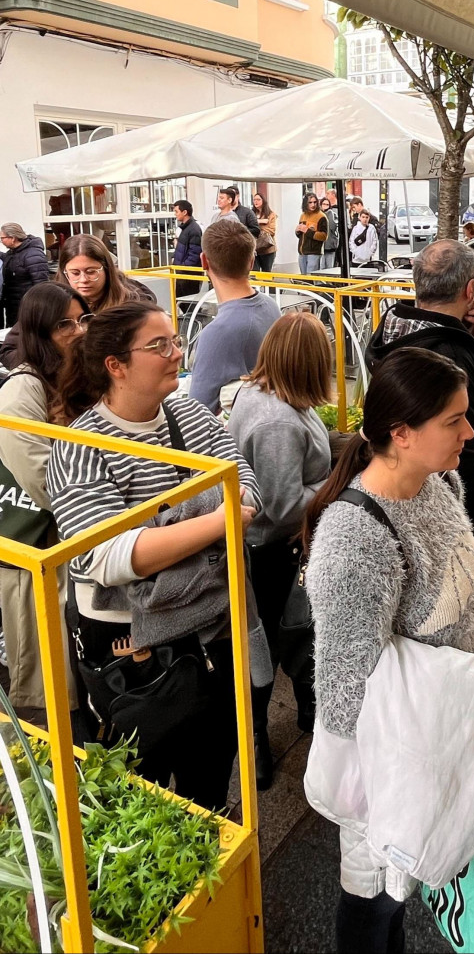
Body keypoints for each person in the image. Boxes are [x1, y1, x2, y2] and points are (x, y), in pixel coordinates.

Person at [301, 346, 474, 954]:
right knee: (375, 897)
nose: (470, 433)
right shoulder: (354, 538)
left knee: (405, 887)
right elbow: (343, 688)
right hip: (388, 763)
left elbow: (470, 567)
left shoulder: (438, 482)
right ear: (402, 434)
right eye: (454, 421)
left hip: (440, 730)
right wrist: (364, 799)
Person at [48, 301, 260, 811]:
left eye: (175, 340)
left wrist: (158, 528)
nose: (176, 352)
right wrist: (213, 520)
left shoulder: (185, 411)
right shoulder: (79, 444)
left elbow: (247, 489)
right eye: (159, 345)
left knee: (209, 775)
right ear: (115, 366)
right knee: (139, 790)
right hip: (132, 655)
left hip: (211, 634)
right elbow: (103, 557)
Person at [227, 312, 333, 789]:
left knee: (275, 641)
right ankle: (256, 744)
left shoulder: (261, 392)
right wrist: (337, 483)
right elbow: (282, 505)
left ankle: (288, 722)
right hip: (269, 554)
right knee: (269, 645)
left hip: (267, 552)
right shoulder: (277, 422)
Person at [365, 239, 474, 561]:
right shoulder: (450, 356)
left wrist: (470, 338)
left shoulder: (392, 328)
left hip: (402, 491)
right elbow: (469, 452)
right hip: (446, 515)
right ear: (470, 289)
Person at [0, 282, 91, 726]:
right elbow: (43, 480)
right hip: (38, 545)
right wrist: (104, 511)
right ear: (39, 332)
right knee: (50, 681)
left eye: (81, 320)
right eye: (63, 325)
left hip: (69, 546)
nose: (77, 331)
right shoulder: (22, 392)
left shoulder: (73, 377)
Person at [1, 233, 153, 370]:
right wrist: (54, 371)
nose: (83, 280)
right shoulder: (50, 301)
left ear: (107, 269)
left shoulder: (134, 303)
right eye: (75, 273)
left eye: (91, 272)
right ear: (64, 272)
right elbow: (10, 350)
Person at [188, 221, 280, 413]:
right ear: (252, 261)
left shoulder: (216, 333)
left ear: (204, 261)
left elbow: (198, 411)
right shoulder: (271, 306)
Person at [0, 222, 50, 328]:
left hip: (27, 306)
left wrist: (35, 306)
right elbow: (11, 261)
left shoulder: (33, 254)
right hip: (14, 305)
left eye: (2, 238)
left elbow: (41, 284)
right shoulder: (14, 252)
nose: (1, 241)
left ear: (12, 238)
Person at [172, 199, 204, 297]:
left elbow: (194, 254)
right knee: (180, 300)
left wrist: (183, 267)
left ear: (185, 212)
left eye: (176, 211)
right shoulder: (185, 229)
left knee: (188, 302)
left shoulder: (194, 230)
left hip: (188, 274)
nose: (175, 214)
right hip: (182, 272)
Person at [296, 192, 329, 275]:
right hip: (302, 251)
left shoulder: (321, 216)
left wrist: (307, 231)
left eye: (315, 202)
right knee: (304, 278)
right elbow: (301, 235)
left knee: (311, 276)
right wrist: (297, 231)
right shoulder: (303, 215)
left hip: (314, 252)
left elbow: (324, 236)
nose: (313, 205)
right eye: (310, 202)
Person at [252, 193, 278, 273]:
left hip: (268, 248)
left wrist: (257, 226)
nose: (256, 202)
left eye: (258, 199)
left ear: (263, 201)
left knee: (267, 272)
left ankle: (269, 286)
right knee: (255, 273)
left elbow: (271, 231)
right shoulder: (251, 214)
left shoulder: (271, 214)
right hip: (255, 248)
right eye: (254, 200)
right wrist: (260, 221)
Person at [318, 192, 340, 270]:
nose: (325, 206)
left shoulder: (332, 214)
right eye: (324, 204)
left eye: (327, 204)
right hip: (320, 246)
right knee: (321, 267)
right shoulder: (318, 214)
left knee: (329, 267)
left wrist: (330, 215)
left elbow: (333, 227)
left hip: (330, 245)